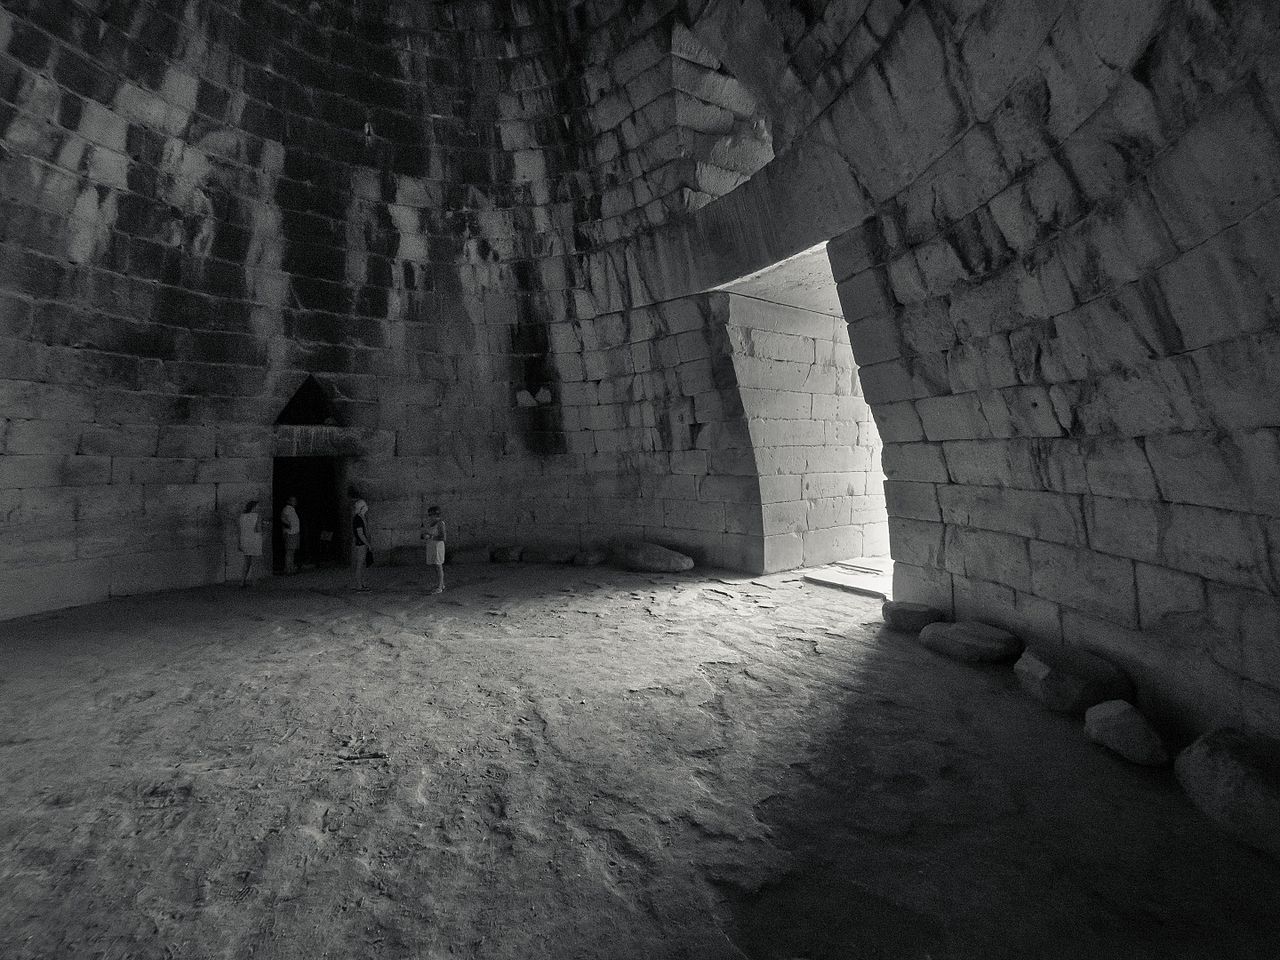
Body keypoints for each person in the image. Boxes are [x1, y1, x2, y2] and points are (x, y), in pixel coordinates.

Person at [421, 504, 446, 594]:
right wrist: (424, 536)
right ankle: (441, 584)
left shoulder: (440, 523)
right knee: (436, 566)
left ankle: (440, 587)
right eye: (429, 515)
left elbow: (443, 537)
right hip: (432, 546)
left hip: (438, 547)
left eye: (431, 515)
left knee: (439, 566)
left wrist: (430, 536)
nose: (430, 517)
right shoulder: (431, 524)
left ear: (436, 514)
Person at [237, 501, 263, 587]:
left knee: (246, 562)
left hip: (244, 540)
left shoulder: (241, 516)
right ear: (254, 507)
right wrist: (264, 530)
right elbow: (258, 529)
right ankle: (254, 583)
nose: (259, 508)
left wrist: (239, 543)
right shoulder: (257, 516)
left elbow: (239, 531)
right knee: (255, 563)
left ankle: (242, 581)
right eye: (257, 506)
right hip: (255, 540)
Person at [352, 499, 371, 591]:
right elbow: (360, 534)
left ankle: (362, 584)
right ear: (361, 508)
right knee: (360, 564)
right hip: (361, 544)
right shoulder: (358, 518)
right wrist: (368, 544)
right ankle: (359, 586)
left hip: (362, 544)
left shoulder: (361, 517)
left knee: (362, 564)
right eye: (365, 506)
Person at [280, 495, 301, 574]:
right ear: (289, 501)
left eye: (295, 500)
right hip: (291, 532)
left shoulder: (292, 509)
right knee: (289, 552)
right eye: (293, 500)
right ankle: (288, 569)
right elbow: (283, 518)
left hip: (294, 532)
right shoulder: (287, 509)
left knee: (292, 552)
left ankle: (291, 568)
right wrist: (289, 525)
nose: (295, 502)